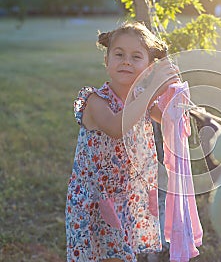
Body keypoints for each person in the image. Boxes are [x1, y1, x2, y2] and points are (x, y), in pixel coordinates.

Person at [65, 21, 179, 262]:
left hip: (125, 199)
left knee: (122, 256)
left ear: (148, 68)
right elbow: (117, 127)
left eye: (136, 56)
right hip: (94, 202)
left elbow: (171, 118)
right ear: (107, 61)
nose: (126, 61)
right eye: (119, 54)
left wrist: (173, 91)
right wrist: (151, 92)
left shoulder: (141, 99)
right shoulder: (95, 101)